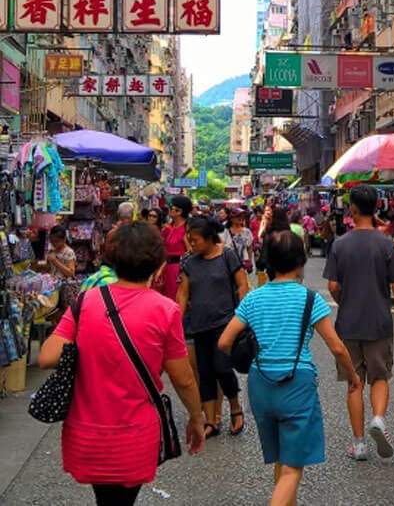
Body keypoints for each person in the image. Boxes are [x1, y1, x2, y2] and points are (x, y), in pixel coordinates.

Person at [38, 222, 205, 506]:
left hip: (85, 435)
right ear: (159, 263)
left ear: (112, 260)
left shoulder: (86, 301)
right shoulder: (165, 310)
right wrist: (197, 417)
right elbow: (184, 379)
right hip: (133, 437)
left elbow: (46, 357)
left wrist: (93, 339)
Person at [219, 231, 361, 506]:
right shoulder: (310, 299)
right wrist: (352, 376)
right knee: (293, 467)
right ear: (300, 262)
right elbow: (337, 347)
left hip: (261, 384)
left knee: (282, 460)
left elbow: (225, 341)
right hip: (297, 384)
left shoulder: (253, 299)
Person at [323, 184, 394, 461]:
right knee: (380, 376)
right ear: (377, 209)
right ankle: (379, 419)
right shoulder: (386, 244)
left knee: (354, 382)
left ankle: (359, 443)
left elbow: (334, 285)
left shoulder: (340, 244)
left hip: (348, 323)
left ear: (351, 209)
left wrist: (345, 299)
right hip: (379, 322)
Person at [176, 216, 249, 438]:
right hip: (199, 324)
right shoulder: (189, 262)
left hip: (225, 323)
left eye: (195, 239)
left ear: (209, 238)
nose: (192, 243)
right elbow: (183, 293)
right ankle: (211, 421)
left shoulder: (226, 254)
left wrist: (242, 315)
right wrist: (175, 322)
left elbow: (242, 283)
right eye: (189, 239)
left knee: (222, 368)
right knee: (205, 372)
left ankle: (235, 408)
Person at [162, 195, 192, 301]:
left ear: (179, 211)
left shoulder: (186, 229)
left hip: (179, 271)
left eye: (171, 207)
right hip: (169, 269)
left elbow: (191, 252)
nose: (169, 210)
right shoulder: (172, 227)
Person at [258, 206, 291, 281]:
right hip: (287, 266)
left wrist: (262, 265)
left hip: (272, 267)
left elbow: (265, 251)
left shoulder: (270, 233)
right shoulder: (289, 234)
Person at [228, 207, 254, 273]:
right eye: (238, 216)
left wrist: (249, 261)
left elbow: (250, 248)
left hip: (243, 265)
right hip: (229, 266)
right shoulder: (225, 232)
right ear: (231, 218)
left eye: (242, 216)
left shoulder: (247, 232)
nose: (241, 218)